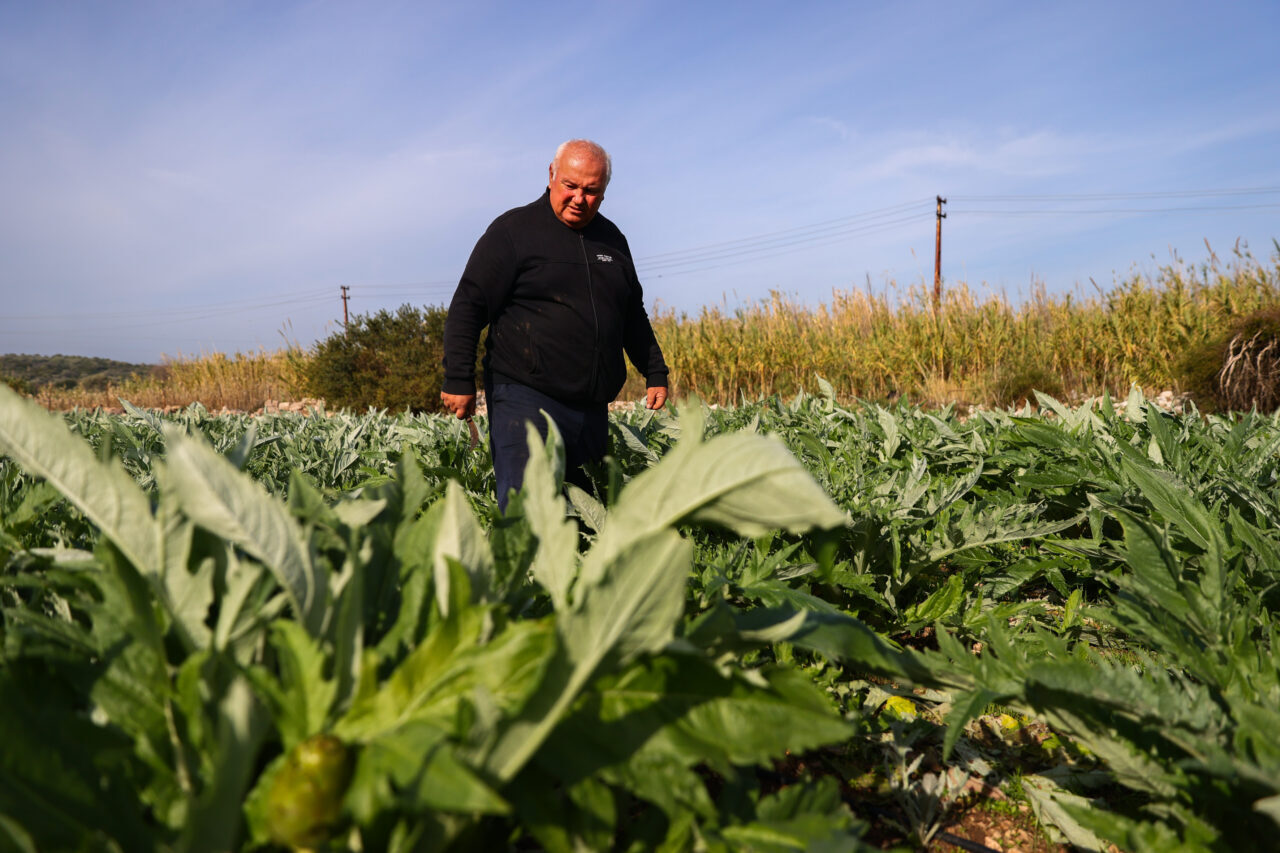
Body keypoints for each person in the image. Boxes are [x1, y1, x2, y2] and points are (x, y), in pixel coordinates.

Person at [440, 139, 669, 510]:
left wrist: (655, 370)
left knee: (582, 518)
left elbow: (631, 313)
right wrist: (457, 378)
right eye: (571, 186)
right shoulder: (513, 232)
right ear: (551, 176)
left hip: (591, 406)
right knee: (528, 513)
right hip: (524, 395)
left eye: (592, 190)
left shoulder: (612, 241)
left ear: (604, 192)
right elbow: (469, 304)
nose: (580, 198)